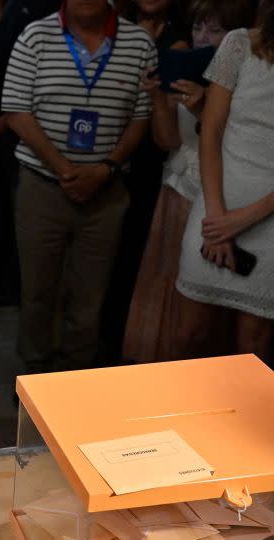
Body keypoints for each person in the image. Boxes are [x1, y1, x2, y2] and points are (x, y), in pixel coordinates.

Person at [2, 0, 156, 374]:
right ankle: (35, 378)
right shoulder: (35, 36)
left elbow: (141, 116)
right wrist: (65, 170)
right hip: (42, 185)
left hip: (107, 191)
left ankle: (75, 380)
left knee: (90, 297)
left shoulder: (139, 43)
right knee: (38, 292)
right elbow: (16, 111)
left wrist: (104, 169)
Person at [124, 0, 255, 363]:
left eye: (214, 30)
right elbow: (167, 141)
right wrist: (157, 97)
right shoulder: (183, 68)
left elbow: (242, 149)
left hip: (218, 199)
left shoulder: (246, 81)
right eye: (198, 27)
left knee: (203, 318)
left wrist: (203, 109)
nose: (203, 37)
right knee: (165, 288)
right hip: (175, 191)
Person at [174, 0, 274, 363]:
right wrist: (218, 218)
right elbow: (211, 132)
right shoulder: (239, 44)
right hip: (215, 206)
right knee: (188, 338)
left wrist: (242, 219)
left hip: (268, 223)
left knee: (254, 349)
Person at [98, 0, 190, 365]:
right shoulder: (110, 28)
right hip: (110, 151)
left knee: (135, 256)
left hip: (155, 161)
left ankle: (122, 352)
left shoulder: (182, 37)